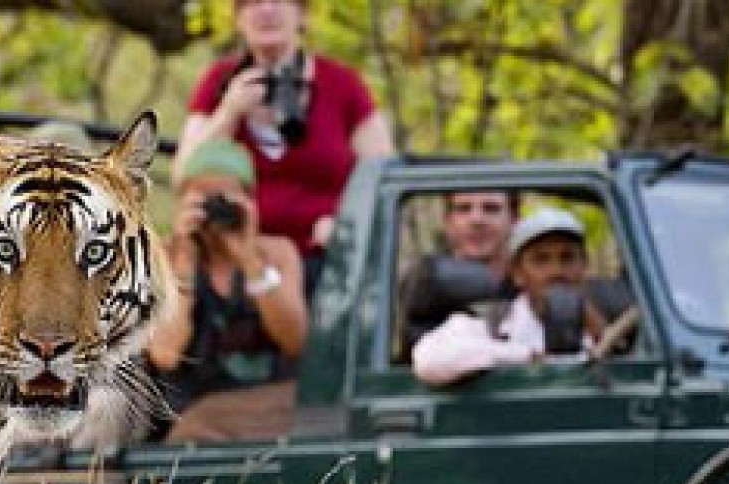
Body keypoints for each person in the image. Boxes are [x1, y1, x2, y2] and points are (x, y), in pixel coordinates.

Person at [175, 0, 395, 295]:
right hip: (235, 261)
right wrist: (228, 114)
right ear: (238, 17)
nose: (267, 10)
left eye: (280, 0)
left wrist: (346, 225)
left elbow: (385, 179)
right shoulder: (218, 83)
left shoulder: (342, 84)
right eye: (252, 2)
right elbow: (182, 176)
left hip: (324, 264)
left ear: (302, 13)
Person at [144, 136, 308, 444]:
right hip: (188, 412)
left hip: (267, 409)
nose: (215, 208)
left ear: (249, 202)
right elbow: (165, 354)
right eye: (203, 198)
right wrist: (184, 269)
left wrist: (249, 261)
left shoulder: (277, 254)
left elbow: (295, 342)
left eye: (225, 197)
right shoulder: (164, 257)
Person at [412, 207, 605, 386]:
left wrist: (602, 335)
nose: (557, 271)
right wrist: (526, 356)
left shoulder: (608, 326)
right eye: (541, 260)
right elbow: (429, 361)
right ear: (517, 274)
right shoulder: (490, 326)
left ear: (585, 267)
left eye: (568, 258)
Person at [396, 190, 519, 358]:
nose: (477, 220)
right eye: (463, 209)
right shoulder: (422, 292)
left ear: (514, 220)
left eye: (491, 209)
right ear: (447, 221)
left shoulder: (529, 289)